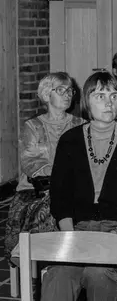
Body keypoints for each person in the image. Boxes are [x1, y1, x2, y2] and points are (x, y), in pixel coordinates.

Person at [41, 71, 117, 301]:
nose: (109, 102)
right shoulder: (70, 140)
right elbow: (60, 197)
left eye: (114, 96)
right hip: (78, 229)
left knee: (97, 272)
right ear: (86, 102)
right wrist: (70, 235)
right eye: (100, 96)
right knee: (59, 274)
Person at [5, 72, 86, 262]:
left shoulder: (81, 124)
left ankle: (64, 258)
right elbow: (31, 163)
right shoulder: (32, 126)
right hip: (36, 189)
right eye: (61, 90)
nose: (67, 94)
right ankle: (47, 259)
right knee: (52, 204)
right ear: (47, 94)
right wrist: (62, 175)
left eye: (70, 90)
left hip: (74, 188)